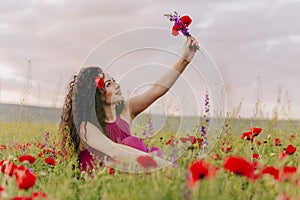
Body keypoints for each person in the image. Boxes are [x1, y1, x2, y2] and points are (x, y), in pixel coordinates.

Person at [59, 36, 200, 173]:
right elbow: (115, 151)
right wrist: (164, 166)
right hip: (101, 178)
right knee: (132, 144)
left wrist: (185, 59)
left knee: (134, 144)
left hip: (128, 172)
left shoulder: (127, 110)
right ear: (95, 96)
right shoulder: (87, 126)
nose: (117, 85)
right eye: (109, 84)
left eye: (113, 80)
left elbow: (157, 89)